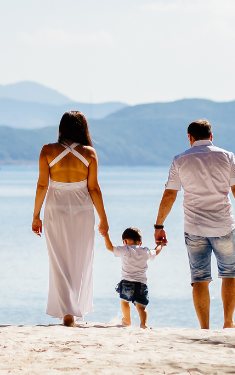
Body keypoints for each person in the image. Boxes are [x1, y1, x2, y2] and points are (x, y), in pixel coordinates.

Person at [153, 119, 235, 329]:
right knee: (229, 272)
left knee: (199, 277)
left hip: (194, 227)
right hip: (223, 226)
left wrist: (159, 226)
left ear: (190, 138)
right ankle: (228, 322)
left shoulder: (179, 160)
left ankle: (204, 328)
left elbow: (169, 195)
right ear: (211, 137)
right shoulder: (227, 156)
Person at [32, 111, 110, 327]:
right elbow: (93, 188)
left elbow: (42, 185)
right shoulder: (90, 153)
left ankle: (67, 310)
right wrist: (103, 219)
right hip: (83, 208)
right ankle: (72, 309)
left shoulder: (47, 150)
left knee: (58, 257)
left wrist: (36, 215)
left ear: (62, 127)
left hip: (55, 207)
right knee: (80, 257)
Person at [101, 226, 162, 328]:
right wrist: (160, 245)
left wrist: (106, 235)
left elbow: (110, 247)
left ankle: (127, 320)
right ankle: (143, 324)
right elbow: (156, 252)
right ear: (140, 243)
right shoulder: (145, 251)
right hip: (141, 284)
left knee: (124, 302)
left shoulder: (125, 249)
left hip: (127, 282)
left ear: (125, 241)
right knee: (141, 307)